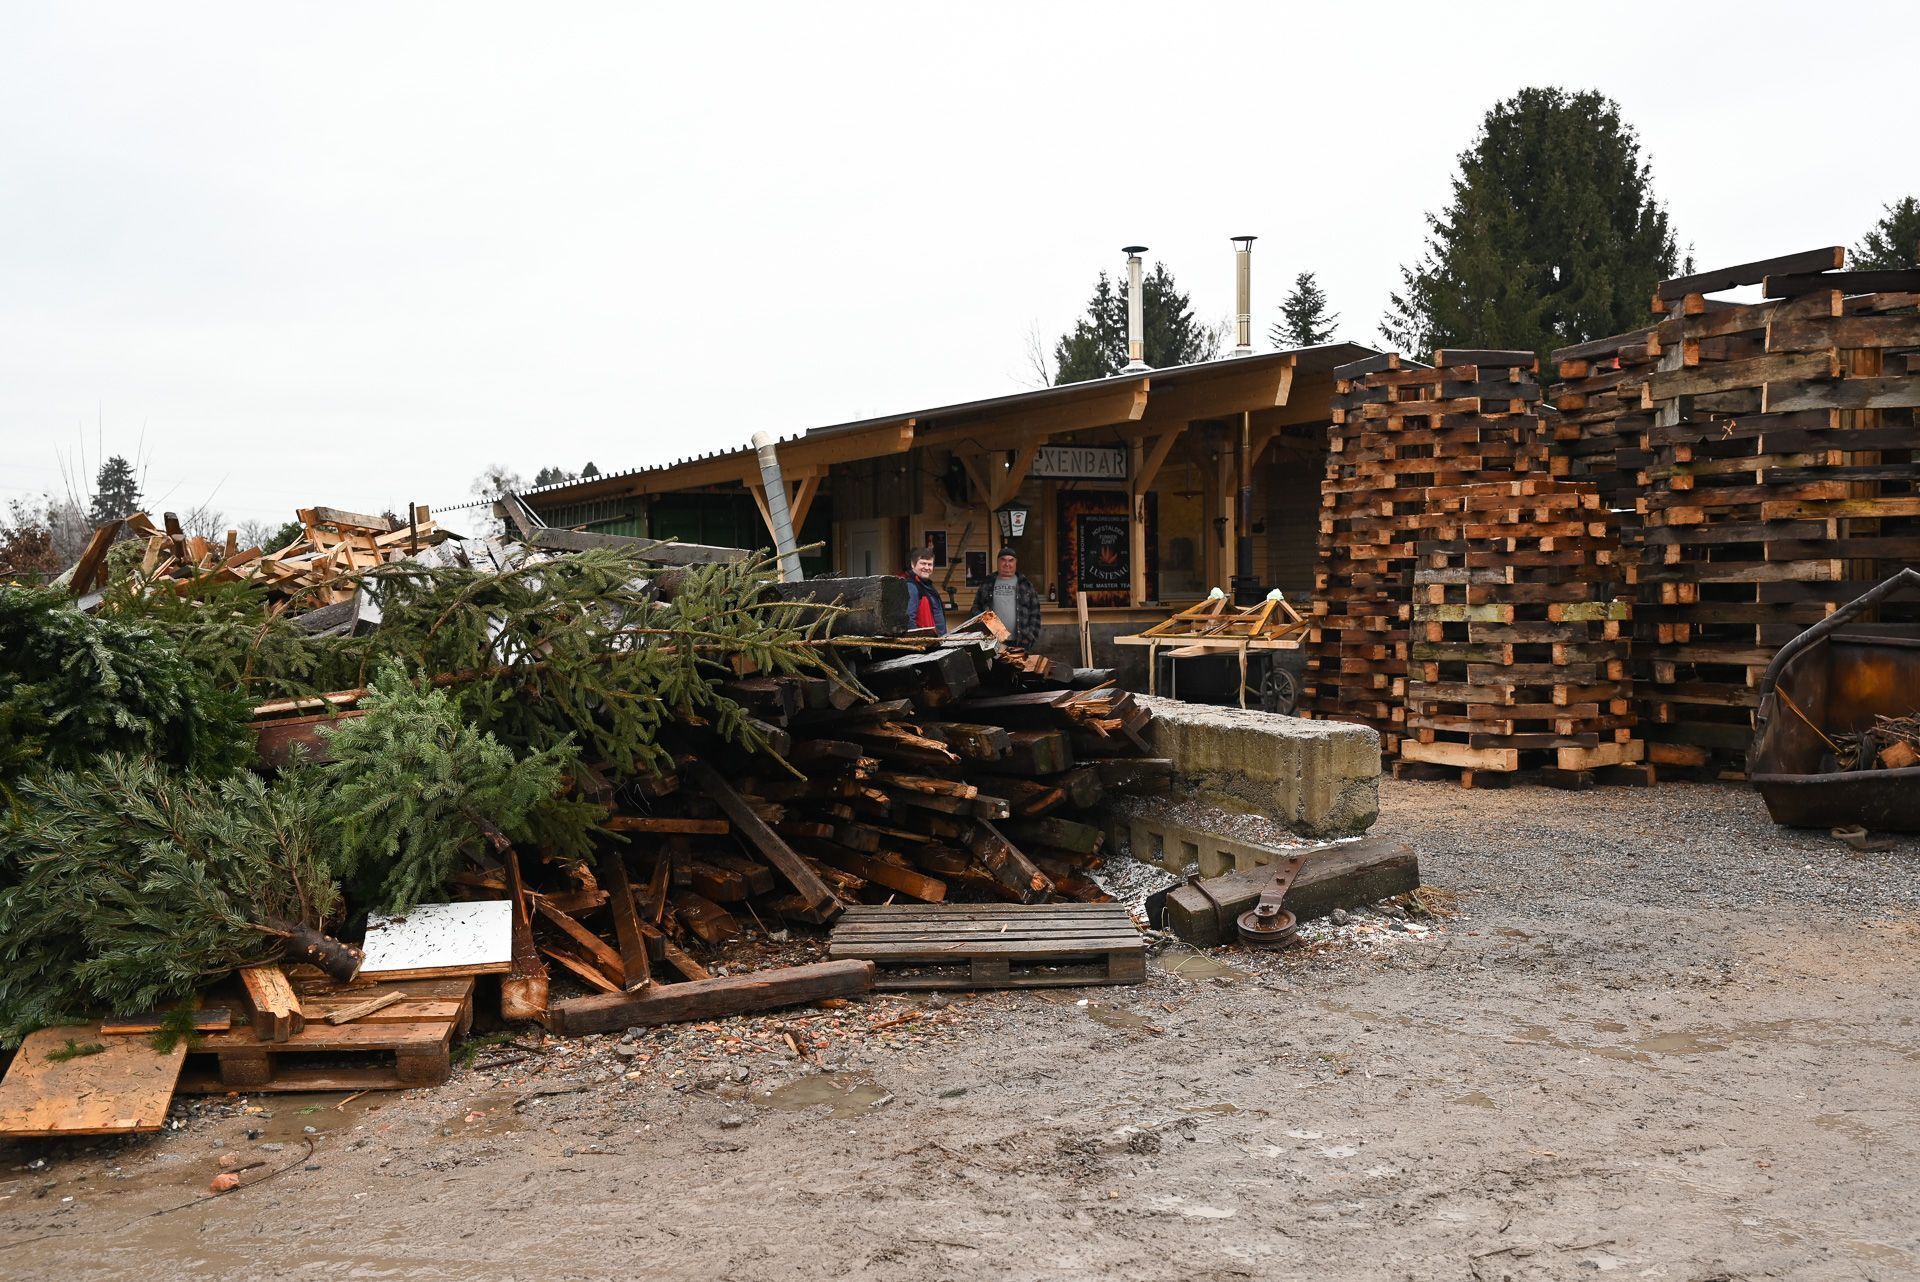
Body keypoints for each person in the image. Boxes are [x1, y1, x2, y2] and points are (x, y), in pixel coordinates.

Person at [971, 547, 1042, 649]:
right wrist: (985, 625)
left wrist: (1030, 637)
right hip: (992, 641)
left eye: (1010, 560)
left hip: (1020, 642)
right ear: (998, 562)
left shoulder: (1026, 584)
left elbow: (1035, 613)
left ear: (1015, 563)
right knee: (995, 666)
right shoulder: (987, 582)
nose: (1007, 564)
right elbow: (975, 607)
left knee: (1016, 665)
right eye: (1003, 560)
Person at [901, 547, 947, 635]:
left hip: (936, 642)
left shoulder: (928, 586)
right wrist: (918, 641)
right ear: (913, 565)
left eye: (930, 564)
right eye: (923, 563)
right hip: (925, 644)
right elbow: (909, 619)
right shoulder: (911, 586)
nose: (926, 567)